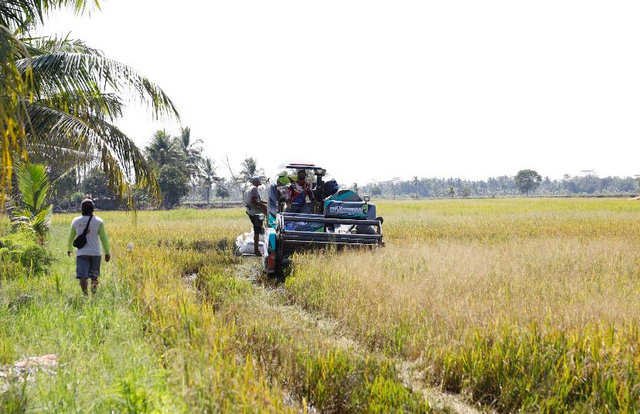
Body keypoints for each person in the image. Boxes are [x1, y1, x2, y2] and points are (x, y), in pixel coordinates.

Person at [67, 199, 110, 295]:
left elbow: (71, 237)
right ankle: (94, 294)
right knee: (94, 276)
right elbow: (104, 238)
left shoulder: (76, 221)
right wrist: (107, 252)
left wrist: (69, 249)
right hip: (96, 253)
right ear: (93, 209)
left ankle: (85, 295)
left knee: (83, 277)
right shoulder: (99, 221)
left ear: (81, 208)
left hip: (82, 253)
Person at [244, 177, 267, 255]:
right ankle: (256, 250)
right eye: (258, 183)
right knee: (257, 231)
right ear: (256, 182)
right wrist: (263, 206)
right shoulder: (254, 189)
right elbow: (253, 201)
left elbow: (256, 200)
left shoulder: (248, 189)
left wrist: (265, 202)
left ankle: (263, 229)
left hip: (250, 212)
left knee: (258, 229)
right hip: (255, 213)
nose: (258, 185)